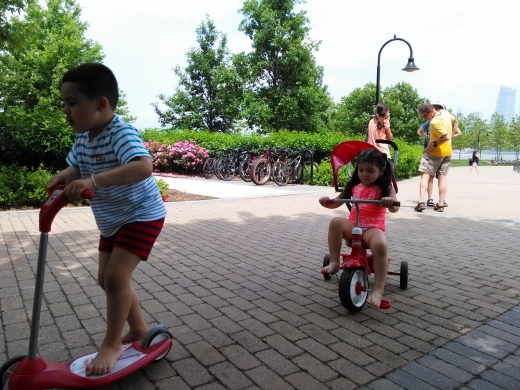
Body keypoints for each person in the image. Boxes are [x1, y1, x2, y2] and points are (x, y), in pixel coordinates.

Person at [46, 63, 166, 376]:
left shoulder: (119, 132)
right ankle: (139, 329)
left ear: (101, 104)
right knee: (107, 280)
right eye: (65, 104)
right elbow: (77, 167)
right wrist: (66, 175)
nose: (66, 110)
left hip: (141, 215)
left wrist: (93, 181)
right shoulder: (84, 139)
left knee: (115, 278)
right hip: (113, 219)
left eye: (73, 103)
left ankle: (112, 343)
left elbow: (143, 167)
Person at [319, 148, 399, 309]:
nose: (365, 174)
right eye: (361, 170)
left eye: (370, 171)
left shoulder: (385, 186)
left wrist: (389, 201)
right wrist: (326, 201)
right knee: (335, 222)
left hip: (373, 227)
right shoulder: (354, 186)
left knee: (380, 245)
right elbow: (336, 202)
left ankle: (378, 290)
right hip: (354, 225)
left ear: (381, 170)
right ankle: (335, 262)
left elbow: (395, 208)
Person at [415, 102, 454, 212]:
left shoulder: (434, 122)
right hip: (447, 152)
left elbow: (445, 137)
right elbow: (455, 121)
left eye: (425, 116)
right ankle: (440, 204)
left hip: (434, 153)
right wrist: (453, 134)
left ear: (431, 111)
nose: (424, 119)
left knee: (425, 175)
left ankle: (421, 202)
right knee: (442, 177)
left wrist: (433, 144)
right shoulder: (445, 113)